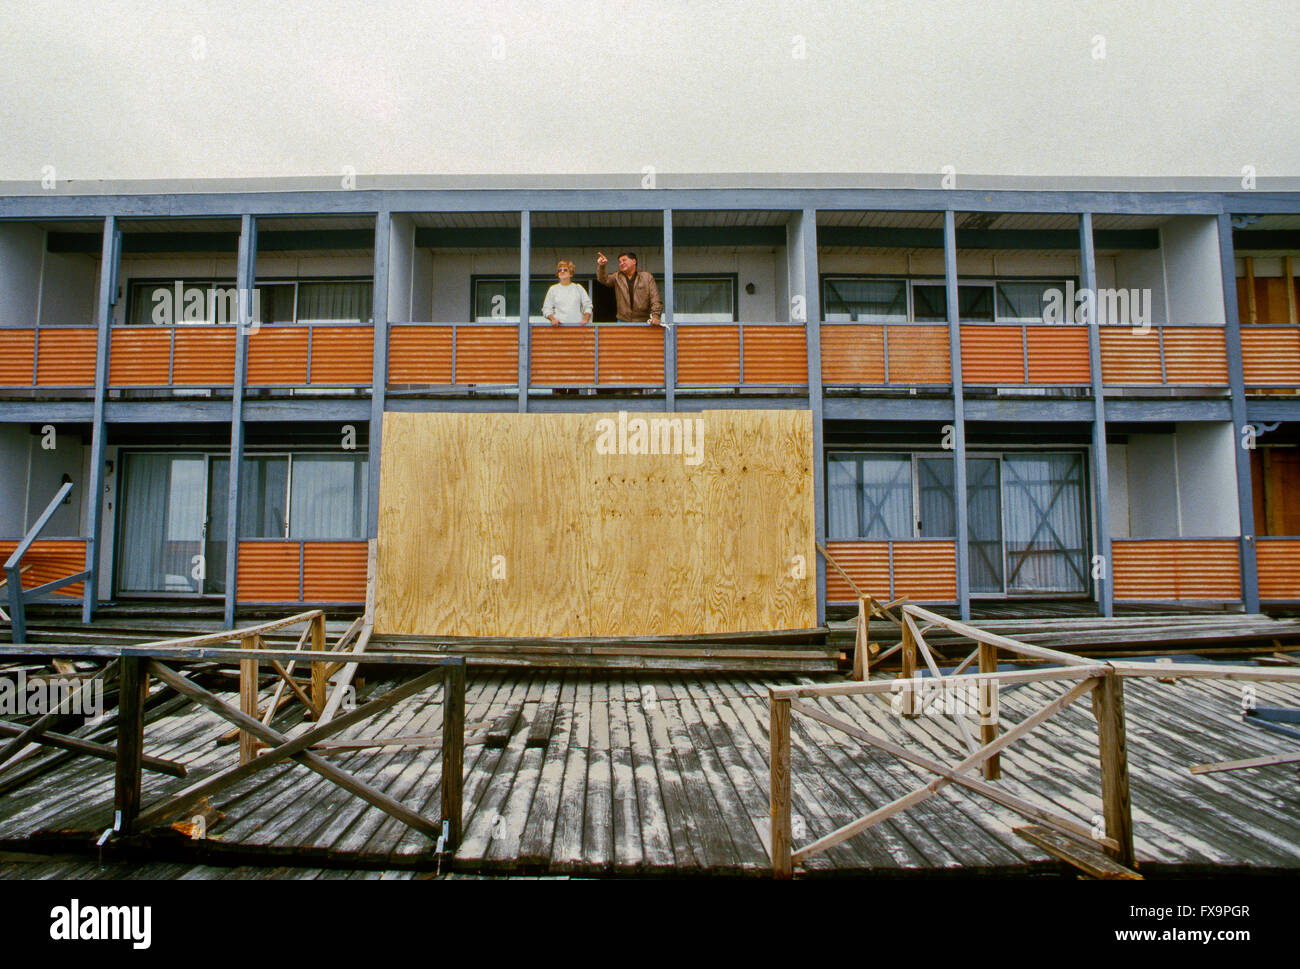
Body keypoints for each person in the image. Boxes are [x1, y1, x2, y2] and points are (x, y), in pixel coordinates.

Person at [595, 251, 663, 326]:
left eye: (624, 260)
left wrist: (656, 316)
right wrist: (602, 266)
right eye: (620, 262)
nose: (621, 263)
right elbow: (603, 279)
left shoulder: (647, 277)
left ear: (634, 261)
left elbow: (655, 298)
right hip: (622, 321)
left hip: (643, 321)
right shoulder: (617, 276)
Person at [541, 260, 592, 326]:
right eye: (559, 270)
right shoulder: (553, 289)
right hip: (559, 329)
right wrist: (553, 319)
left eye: (565, 270)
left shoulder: (578, 288)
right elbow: (546, 308)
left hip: (577, 328)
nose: (562, 271)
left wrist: (586, 319)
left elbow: (588, 305)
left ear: (571, 273)